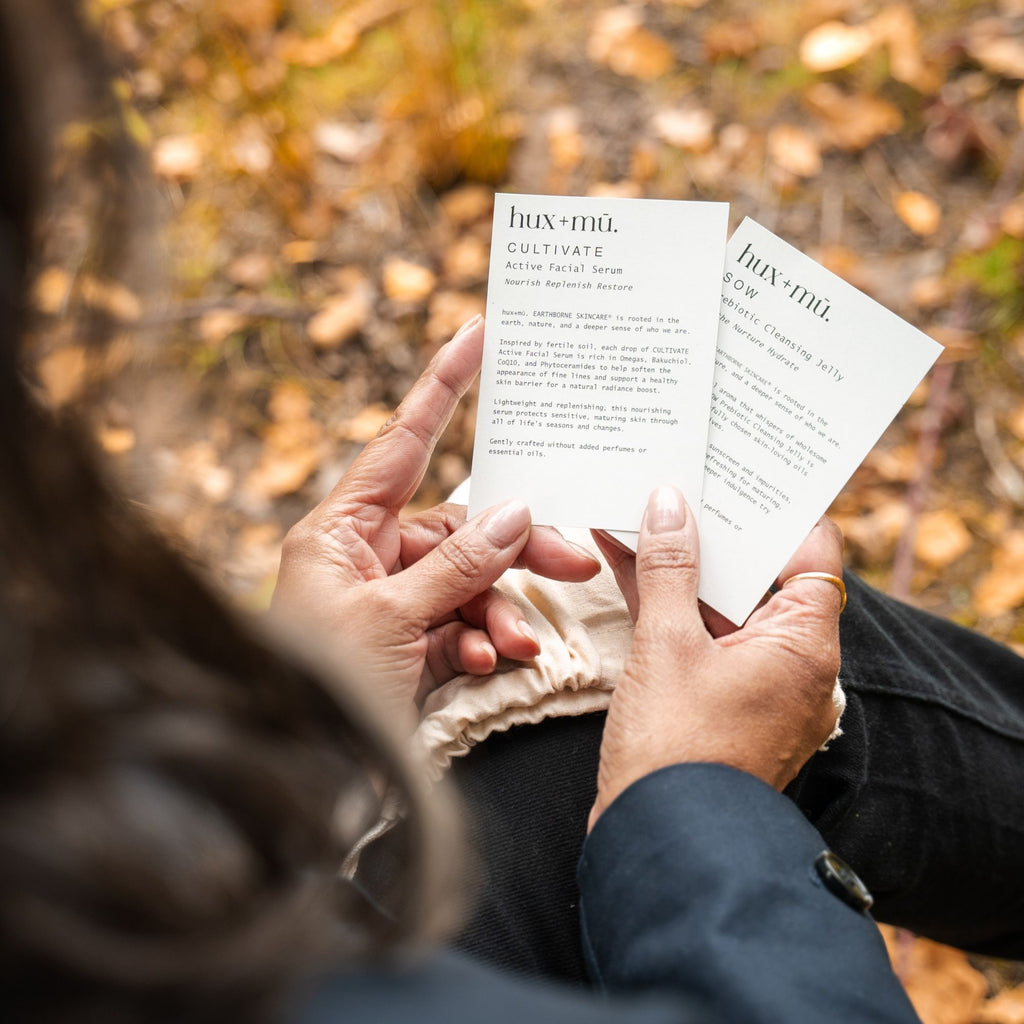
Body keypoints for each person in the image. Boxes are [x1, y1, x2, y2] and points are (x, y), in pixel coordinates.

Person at [0, 3, 1018, 1022]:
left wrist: (306, 732)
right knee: (730, 647)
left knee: (601, 662)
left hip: (239, 894)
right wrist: (695, 798)